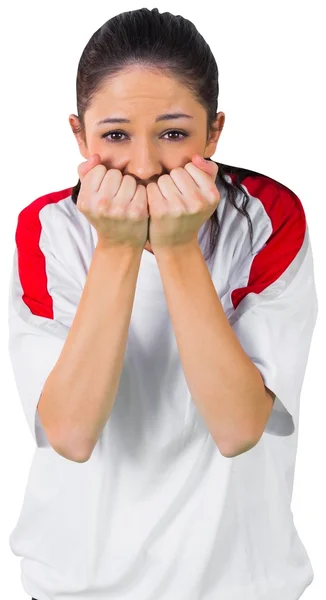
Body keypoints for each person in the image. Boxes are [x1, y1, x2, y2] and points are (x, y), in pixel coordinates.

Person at [7, 7, 318, 600]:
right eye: (115, 136)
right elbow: (70, 435)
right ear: (79, 135)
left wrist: (176, 250)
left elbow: (239, 428)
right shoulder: (46, 229)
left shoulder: (269, 217)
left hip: (242, 583)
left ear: (214, 131)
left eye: (174, 133)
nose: (145, 166)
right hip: (76, 582)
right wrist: (119, 248)